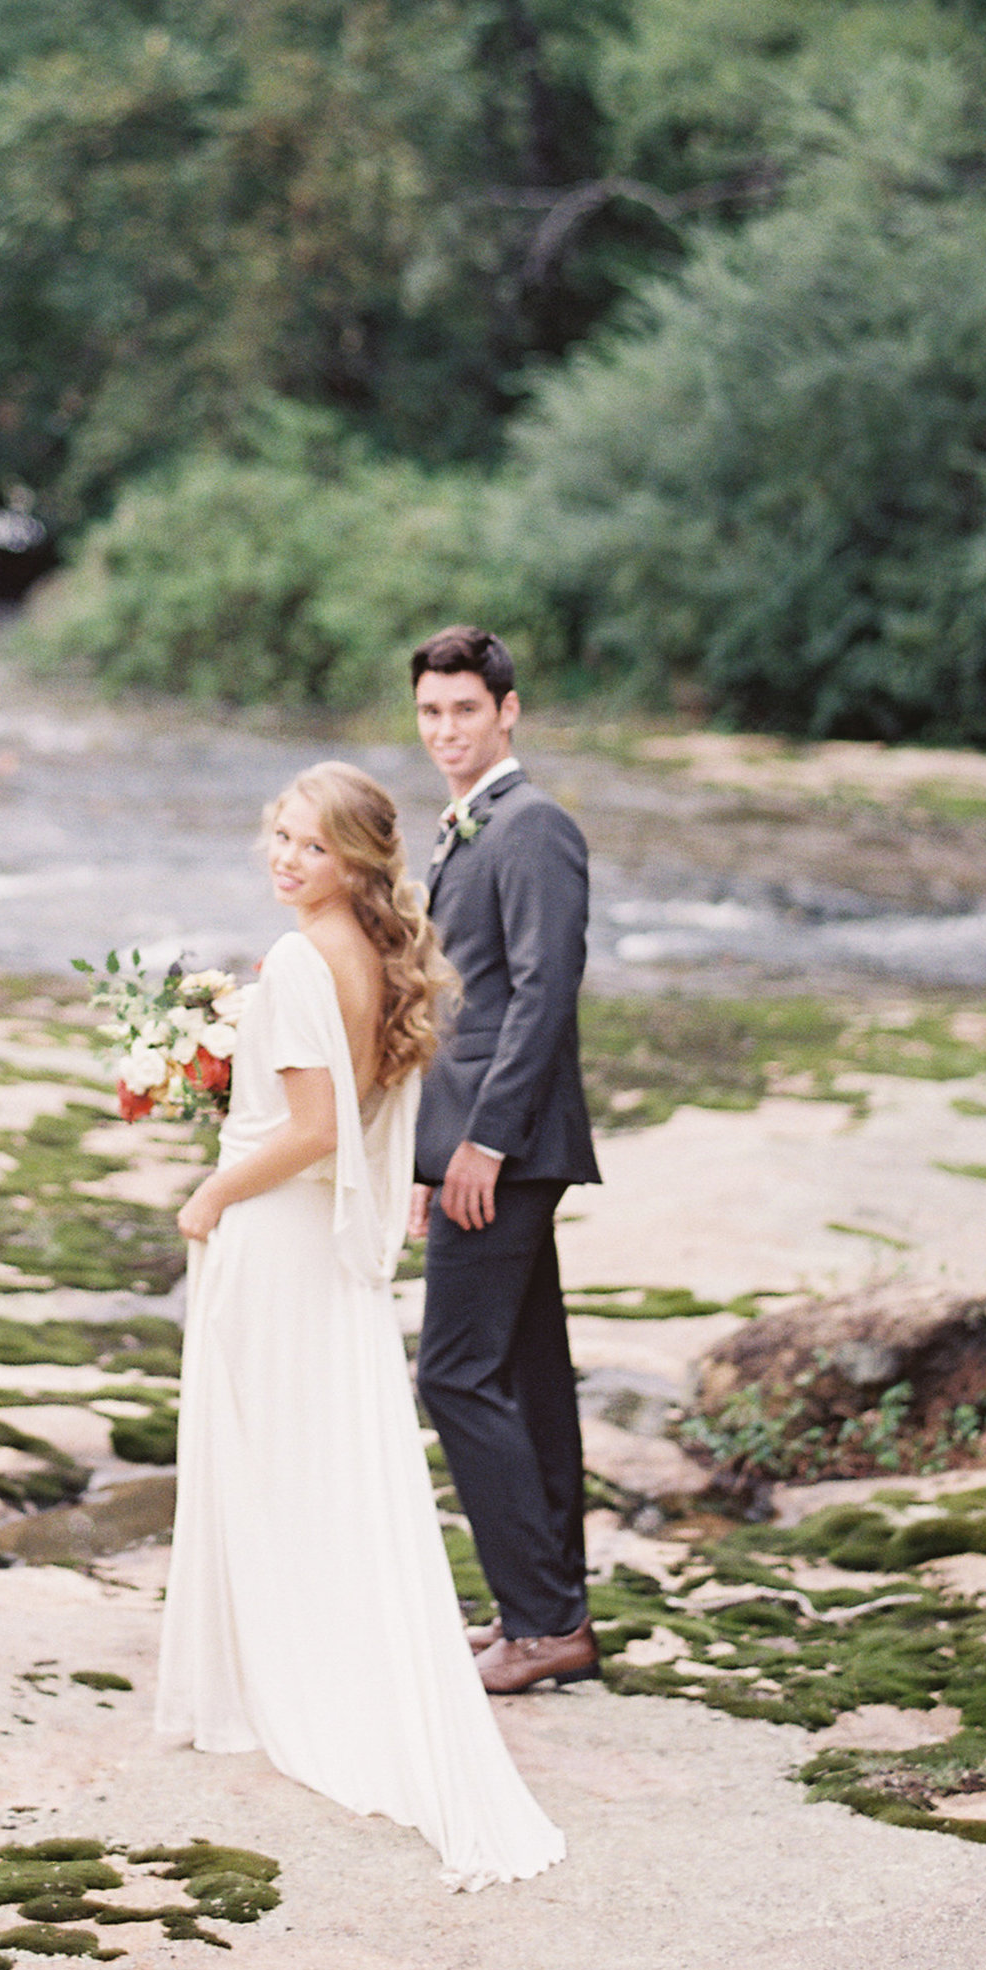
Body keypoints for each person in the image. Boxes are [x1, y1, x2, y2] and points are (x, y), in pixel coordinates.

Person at [154, 762, 564, 1889]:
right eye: (279, 834)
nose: (286, 858)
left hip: (279, 1229)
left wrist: (213, 1192)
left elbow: (319, 1127)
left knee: (265, 1446)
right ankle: (310, 1661)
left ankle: (279, 1684)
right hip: (316, 1245)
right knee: (310, 1450)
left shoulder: (296, 957)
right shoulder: (378, 953)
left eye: (312, 846)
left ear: (355, 862)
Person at [409, 624, 600, 1694]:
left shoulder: (533, 827)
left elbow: (541, 996)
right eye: (431, 713)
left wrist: (479, 1143)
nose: (446, 732)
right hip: (477, 1146)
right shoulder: (463, 826)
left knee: (452, 1370)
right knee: (525, 1376)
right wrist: (430, 1157)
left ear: (508, 710)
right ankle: (544, 1609)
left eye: (465, 712)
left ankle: (541, 1620)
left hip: (509, 1147)